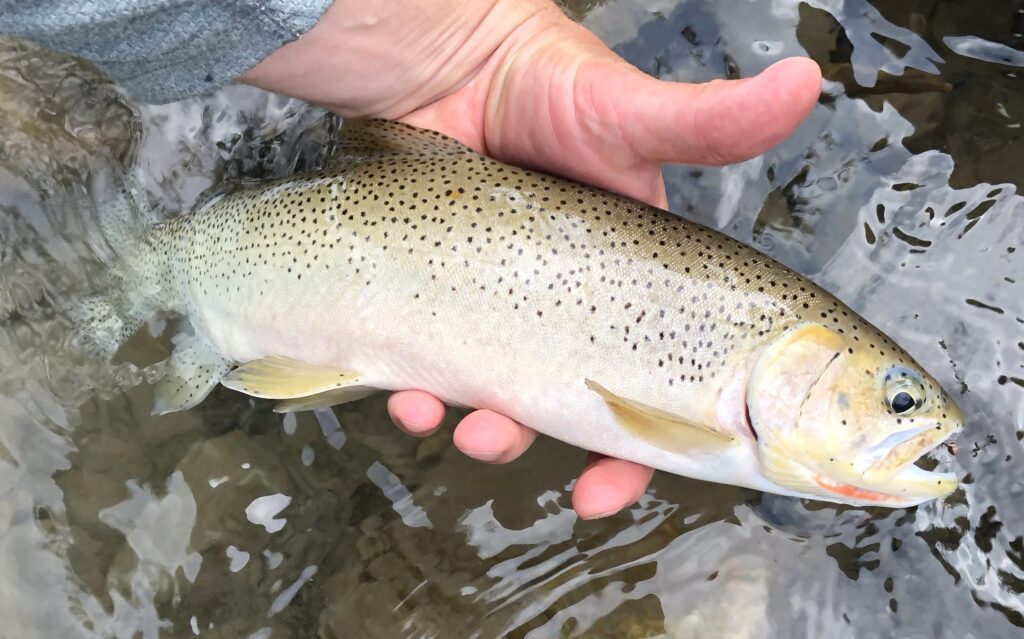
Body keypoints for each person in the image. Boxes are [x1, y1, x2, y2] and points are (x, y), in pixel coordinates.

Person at [3, 0, 822, 519]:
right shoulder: (728, 418)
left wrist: (478, 39)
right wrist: (472, 40)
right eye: (894, 401)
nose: (912, 429)